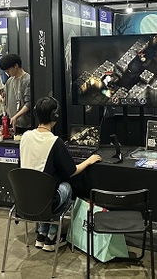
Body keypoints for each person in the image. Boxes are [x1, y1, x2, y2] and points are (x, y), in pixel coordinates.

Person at [19, 97, 101, 251]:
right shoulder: (55, 142)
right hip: (46, 203)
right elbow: (72, 171)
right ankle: (51, 238)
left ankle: (41, 234)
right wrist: (88, 161)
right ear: (55, 116)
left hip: (24, 201)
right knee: (66, 187)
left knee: (44, 189)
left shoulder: (25, 136)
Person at [0, 54, 31, 134]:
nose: (7, 73)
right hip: (13, 122)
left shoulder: (27, 80)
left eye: (8, 70)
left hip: (25, 124)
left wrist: (16, 116)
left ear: (16, 66)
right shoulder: (9, 81)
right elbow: (6, 100)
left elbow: (29, 104)